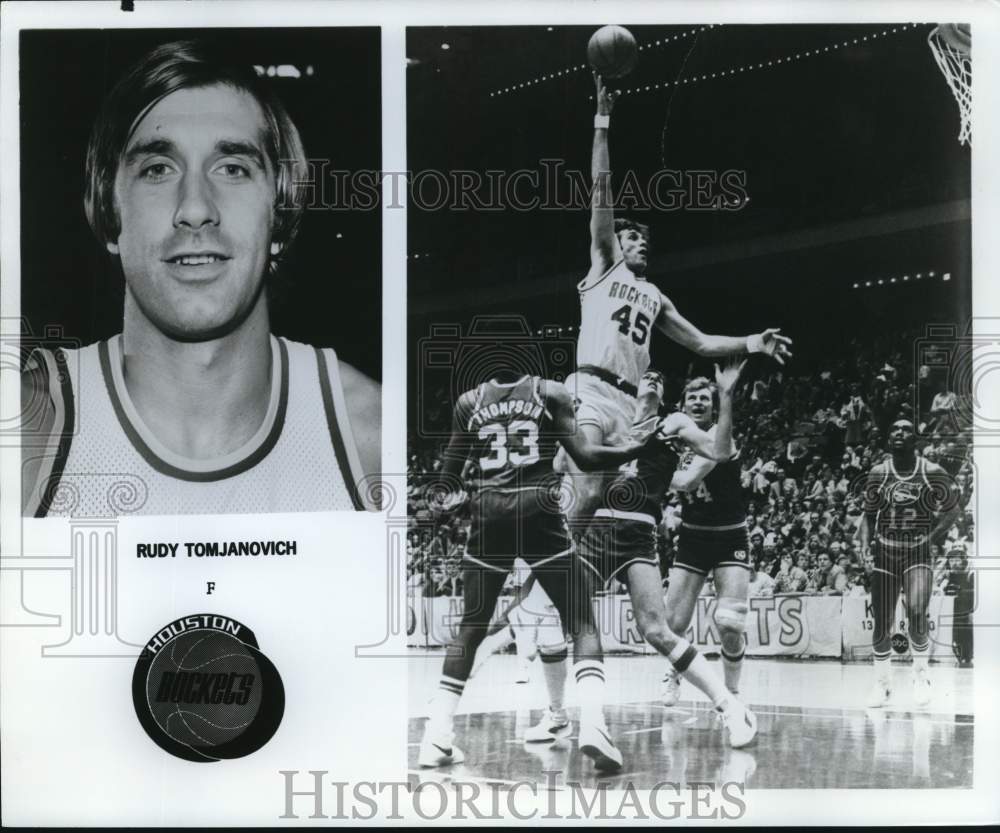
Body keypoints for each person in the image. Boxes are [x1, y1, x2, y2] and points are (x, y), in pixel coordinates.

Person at [20, 40, 380, 516]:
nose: (194, 208)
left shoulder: (372, 438)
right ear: (110, 211)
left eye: (232, 168)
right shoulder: (26, 432)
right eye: (157, 169)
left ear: (282, 211)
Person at [557, 71, 792, 535]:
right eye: (631, 237)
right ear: (615, 245)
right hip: (591, 388)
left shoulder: (655, 296)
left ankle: (550, 558)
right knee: (586, 493)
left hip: (630, 403)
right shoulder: (605, 265)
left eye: (644, 240)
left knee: (595, 499)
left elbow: (702, 344)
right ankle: (547, 569)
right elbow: (600, 189)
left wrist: (752, 342)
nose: (640, 243)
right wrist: (601, 121)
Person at [417, 371, 657, 773]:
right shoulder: (551, 391)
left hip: (491, 512)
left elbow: (447, 480)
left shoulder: (468, 401)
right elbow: (585, 456)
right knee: (581, 622)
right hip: (538, 511)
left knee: (470, 628)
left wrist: (470, 497)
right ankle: (595, 726)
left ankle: (436, 737)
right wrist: (633, 448)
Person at [529, 363, 758, 750]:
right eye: (646, 377)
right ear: (633, 389)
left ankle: (731, 707)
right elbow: (558, 464)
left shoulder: (675, 423)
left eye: (659, 378)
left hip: (639, 531)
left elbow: (721, 451)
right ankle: (556, 716)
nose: (652, 379)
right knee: (554, 619)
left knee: (658, 631)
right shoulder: (605, 415)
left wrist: (728, 396)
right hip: (598, 528)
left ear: (663, 395)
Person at [660, 375, 753, 705]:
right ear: (682, 406)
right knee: (672, 624)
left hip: (730, 535)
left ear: (714, 408)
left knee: (730, 621)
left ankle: (732, 693)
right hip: (693, 538)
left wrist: (649, 472)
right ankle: (673, 673)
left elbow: (685, 482)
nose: (698, 402)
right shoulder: (674, 441)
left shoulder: (717, 436)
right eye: (692, 398)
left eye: (705, 398)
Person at [859, 419, 962, 708]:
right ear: (888, 437)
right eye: (894, 429)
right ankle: (882, 683)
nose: (899, 433)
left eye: (905, 429)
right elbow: (868, 516)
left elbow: (954, 510)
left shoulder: (931, 471)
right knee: (882, 621)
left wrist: (932, 535)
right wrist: (866, 546)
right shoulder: (879, 473)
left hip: (917, 551)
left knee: (917, 611)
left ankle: (921, 676)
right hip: (885, 551)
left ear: (916, 439)